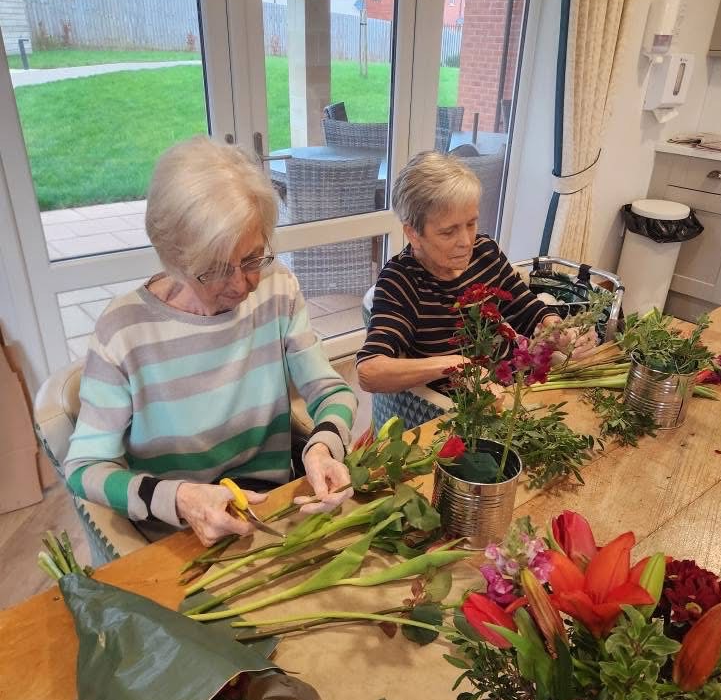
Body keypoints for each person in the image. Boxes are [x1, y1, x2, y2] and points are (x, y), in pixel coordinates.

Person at [65, 136, 356, 548]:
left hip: (267, 509)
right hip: (176, 532)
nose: (244, 284)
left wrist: (324, 445)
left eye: (254, 257)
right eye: (217, 269)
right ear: (175, 259)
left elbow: (331, 390)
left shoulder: (278, 289)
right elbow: (84, 467)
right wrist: (181, 499)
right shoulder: (125, 330)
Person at [357, 151, 596, 393]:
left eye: (471, 224)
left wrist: (558, 331)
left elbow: (527, 310)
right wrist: (455, 365)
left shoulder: (485, 252)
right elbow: (370, 372)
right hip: (463, 407)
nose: (466, 241)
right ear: (413, 234)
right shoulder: (401, 281)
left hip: (514, 385)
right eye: (448, 232)